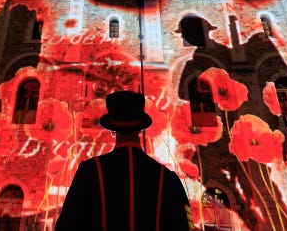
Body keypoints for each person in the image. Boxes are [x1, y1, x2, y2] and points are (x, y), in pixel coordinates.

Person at [56, 91, 193, 231]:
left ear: (112, 130)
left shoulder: (90, 171)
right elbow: (183, 226)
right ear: (140, 130)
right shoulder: (167, 177)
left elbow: (67, 225)